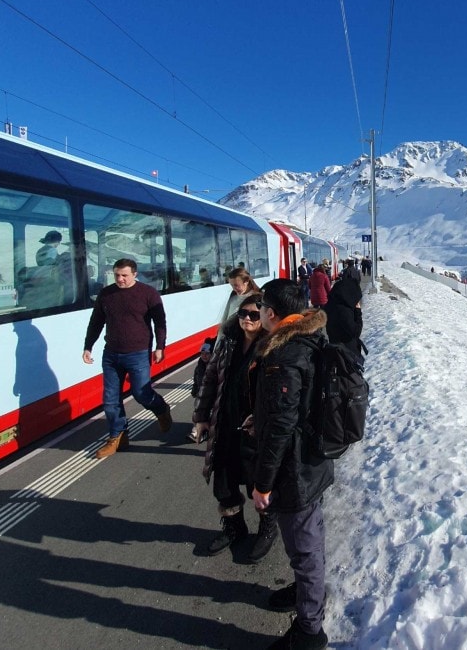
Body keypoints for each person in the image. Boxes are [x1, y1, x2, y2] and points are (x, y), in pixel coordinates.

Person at [252, 278, 335, 649]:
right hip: (313, 458)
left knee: (303, 548)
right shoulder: (313, 336)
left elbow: (282, 426)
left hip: (295, 468)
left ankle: (309, 631)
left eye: (260, 311)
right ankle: (308, 592)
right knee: (309, 537)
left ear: (271, 313)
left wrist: (263, 483)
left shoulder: (284, 354)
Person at [191, 292, 274, 559]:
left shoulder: (271, 347)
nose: (246, 319)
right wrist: (202, 417)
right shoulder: (227, 342)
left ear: (263, 317)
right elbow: (210, 380)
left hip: (255, 431)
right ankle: (234, 528)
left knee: (258, 484)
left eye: (253, 314)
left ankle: (267, 528)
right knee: (224, 483)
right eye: (242, 314)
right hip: (225, 424)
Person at [82, 258, 172, 458]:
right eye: (116, 275)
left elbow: (160, 322)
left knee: (141, 393)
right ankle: (117, 436)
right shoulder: (107, 295)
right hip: (111, 353)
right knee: (110, 400)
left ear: (135, 274)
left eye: (124, 275)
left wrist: (160, 347)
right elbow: (96, 322)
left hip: (138, 352)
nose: (120, 279)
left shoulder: (148, 293)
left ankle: (161, 408)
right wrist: (88, 346)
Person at [195, 266, 261, 400]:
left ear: (246, 282)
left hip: (242, 341)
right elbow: (225, 318)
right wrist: (219, 339)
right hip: (227, 339)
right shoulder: (233, 296)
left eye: (236, 285)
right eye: (231, 285)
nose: (234, 288)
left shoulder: (256, 298)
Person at [325, 264, 363, 346]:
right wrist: (358, 312)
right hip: (346, 352)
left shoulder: (331, 304)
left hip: (334, 347)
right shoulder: (344, 310)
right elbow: (356, 333)